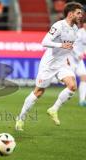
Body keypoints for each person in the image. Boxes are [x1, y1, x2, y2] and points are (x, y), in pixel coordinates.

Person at [15, 2, 83, 131]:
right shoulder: (58, 26)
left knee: (73, 86)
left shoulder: (75, 29)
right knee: (39, 92)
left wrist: (67, 57)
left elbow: (69, 46)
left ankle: (53, 109)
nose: (81, 15)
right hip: (49, 64)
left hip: (62, 63)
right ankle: (21, 118)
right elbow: (44, 42)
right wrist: (60, 46)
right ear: (70, 14)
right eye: (78, 13)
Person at [69, 18, 86, 106]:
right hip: (72, 58)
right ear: (84, 25)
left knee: (84, 77)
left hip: (79, 60)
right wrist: (78, 54)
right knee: (70, 81)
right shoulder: (79, 33)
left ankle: (82, 100)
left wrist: (83, 53)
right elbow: (72, 45)